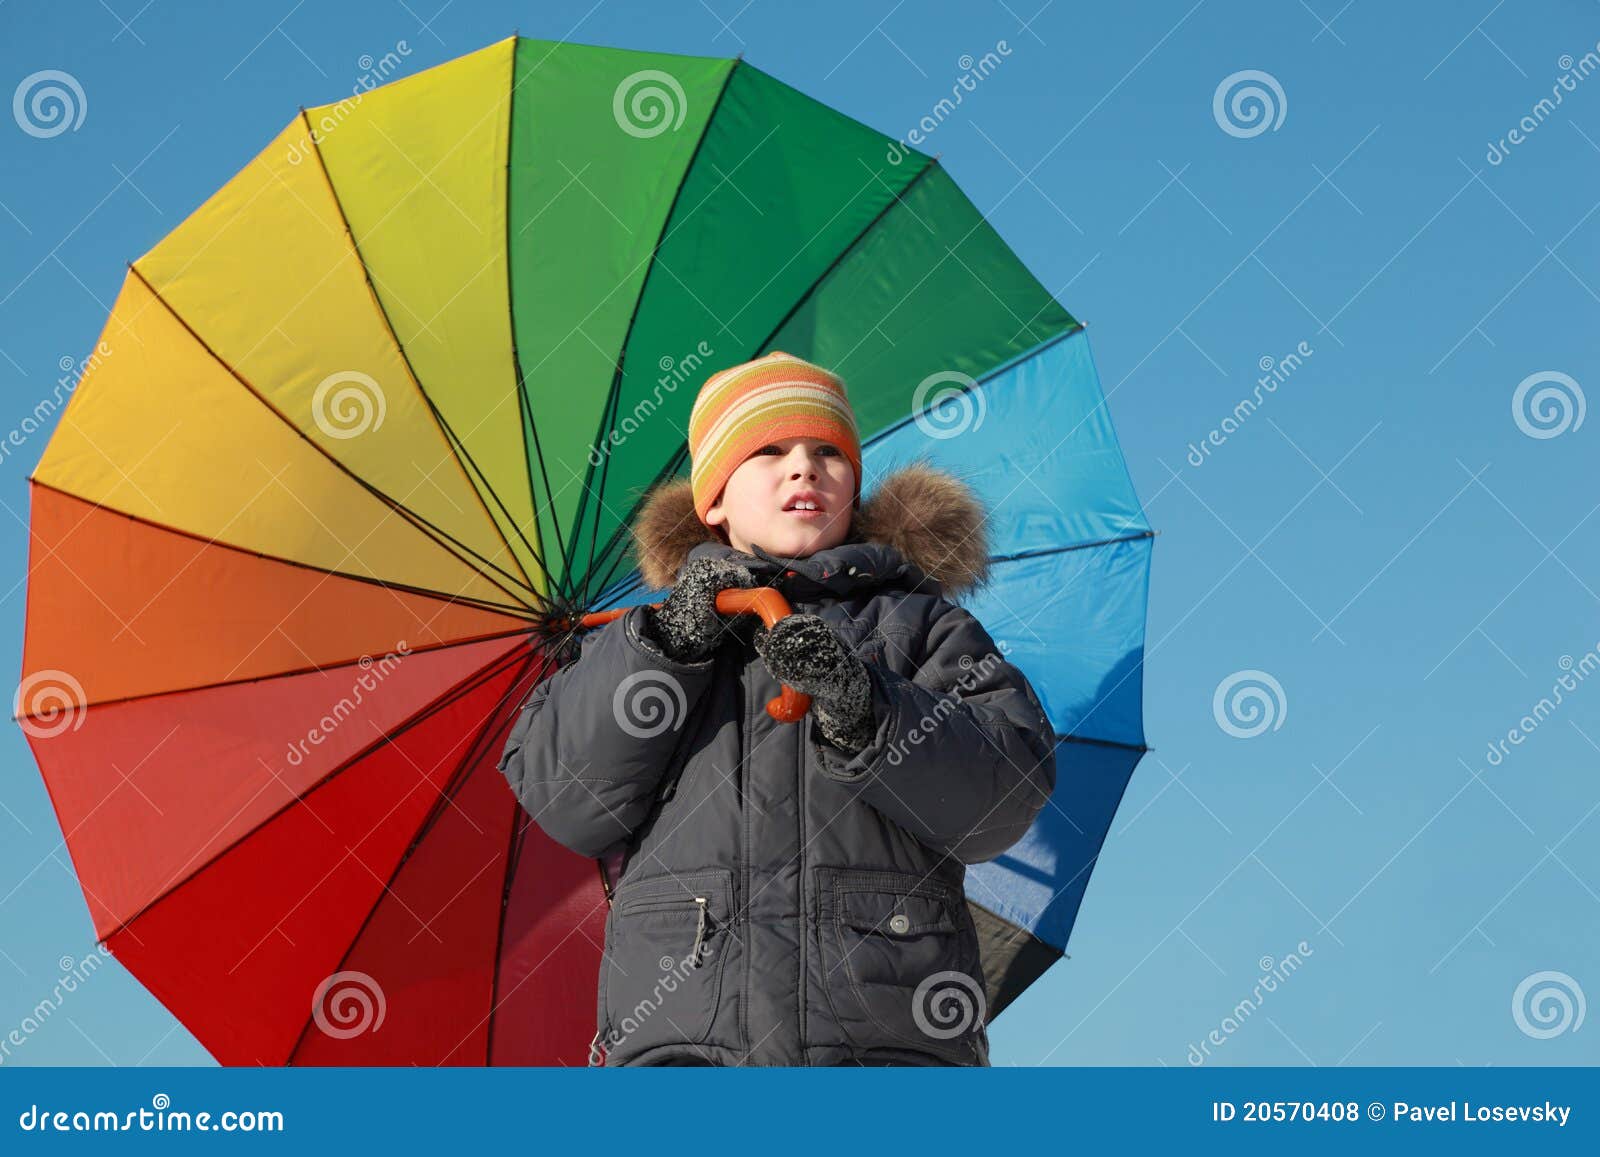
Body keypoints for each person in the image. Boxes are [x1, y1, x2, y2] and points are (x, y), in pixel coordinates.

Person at [497, 351, 1057, 1066]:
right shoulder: (644, 642)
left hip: (881, 1044)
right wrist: (665, 652)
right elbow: (569, 799)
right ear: (714, 502)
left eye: (829, 452)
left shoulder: (920, 626)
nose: (804, 468)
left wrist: (866, 709)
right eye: (768, 451)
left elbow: (1001, 798)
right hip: (688, 1050)